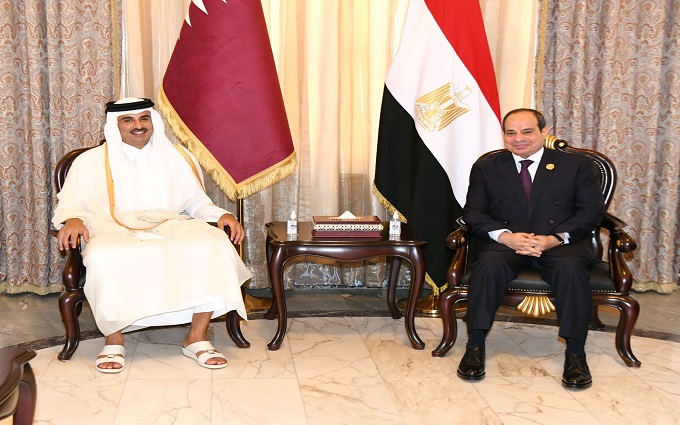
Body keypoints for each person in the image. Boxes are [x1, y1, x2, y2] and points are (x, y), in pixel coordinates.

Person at [53, 98, 251, 373]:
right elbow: (72, 203)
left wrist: (221, 215)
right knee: (103, 256)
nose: (138, 125)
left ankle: (196, 336)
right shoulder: (89, 162)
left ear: (152, 122)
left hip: (169, 222)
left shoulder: (177, 156)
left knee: (215, 244)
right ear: (115, 125)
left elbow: (195, 202)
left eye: (144, 118)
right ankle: (114, 338)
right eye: (128, 120)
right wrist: (73, 219)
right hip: (112, 227)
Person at [457, 108, 605, 389]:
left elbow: (590, 212)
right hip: (507, 242)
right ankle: (475, 346)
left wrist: (555, 238)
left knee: (571, 270)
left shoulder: (576, 165)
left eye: (527, 132)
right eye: (511, 133)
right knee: (488, 266)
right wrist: (505, 237)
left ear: (544, 132)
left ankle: (575, 353)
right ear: (504, 135)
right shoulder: (487, 167)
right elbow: (473, 212)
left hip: (558, 243)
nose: (519, 139)